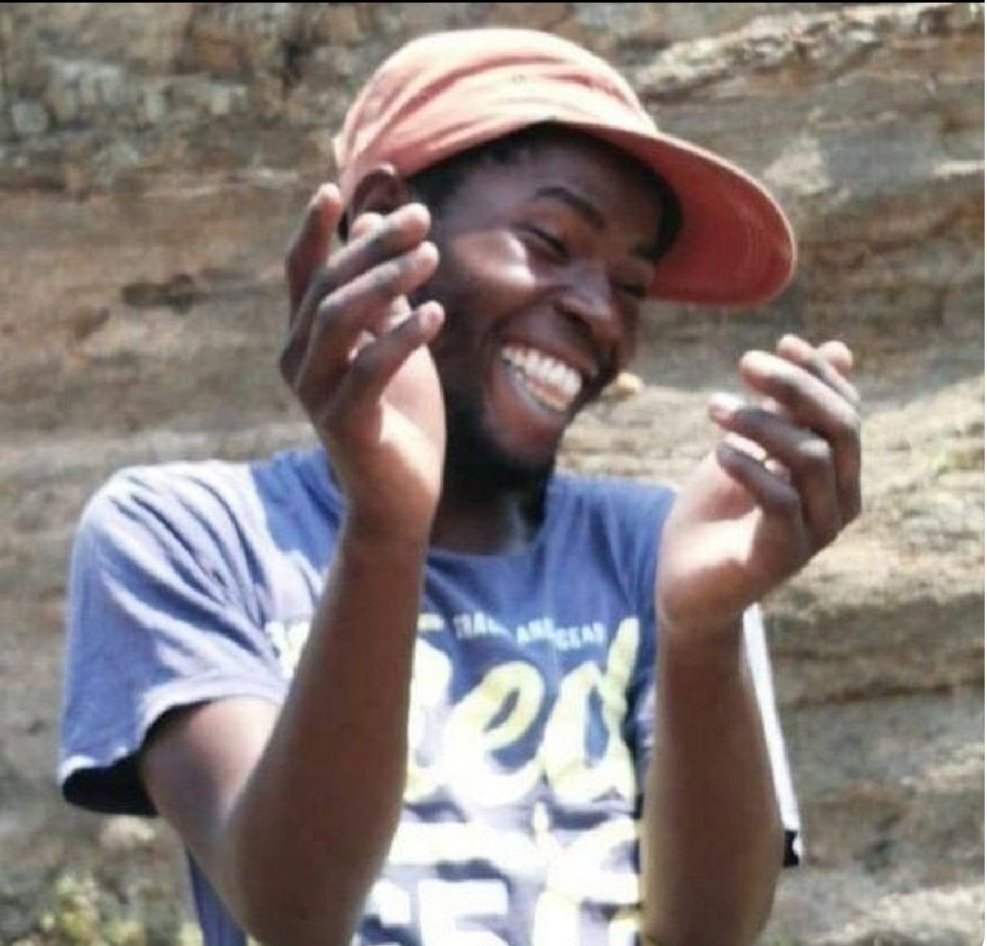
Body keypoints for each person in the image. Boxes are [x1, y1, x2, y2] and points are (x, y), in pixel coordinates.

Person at [59, 27, 861, 946]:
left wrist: (703, 631)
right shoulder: (190, 535)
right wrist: (384, 528)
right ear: (383, 224)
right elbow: (292, 910)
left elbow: (706, 935)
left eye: (632, 286)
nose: (599, 313)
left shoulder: (657, 549)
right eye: (550, 241)